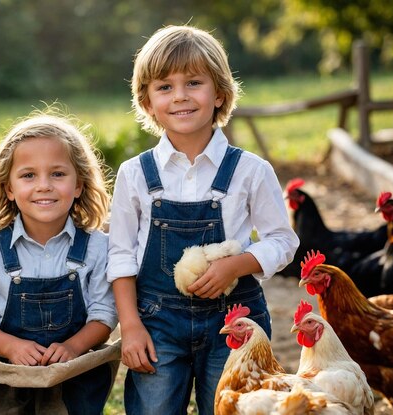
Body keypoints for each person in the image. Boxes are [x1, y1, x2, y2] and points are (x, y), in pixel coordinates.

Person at [107, 25, 299, 414]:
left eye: (193, 82)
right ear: (146, 102)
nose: (179, 96)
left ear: (219, 94)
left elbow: (283, 240)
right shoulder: (135, 174)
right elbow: (120, 253)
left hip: (235, 320)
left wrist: (236, 265)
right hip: (156, 323)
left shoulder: (250, 170)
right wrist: (130, 326)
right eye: (164, 87)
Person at [0, 110, 118, 415]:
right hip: (5, 378)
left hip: (74, 374)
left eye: (57, 174)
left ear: (79, 184)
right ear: (9, 188)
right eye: (28, 175)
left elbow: (104, 315)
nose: (43, 185)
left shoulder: (98, 247)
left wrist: (73, 347)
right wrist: (11, 347)